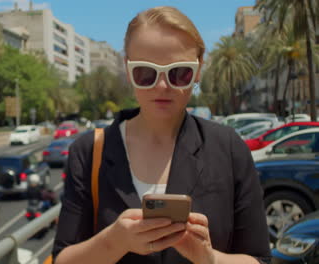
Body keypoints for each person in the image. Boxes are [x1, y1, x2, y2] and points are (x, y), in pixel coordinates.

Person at [52, 6, 271, 264]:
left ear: (198, 69)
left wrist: (209, 259)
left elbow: (259, 259)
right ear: (128, 68)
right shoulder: (89, 151)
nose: (162, 86)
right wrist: (114, 242)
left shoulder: (229, 148)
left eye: (180, 73)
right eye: (145, 72)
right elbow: (62, 259)